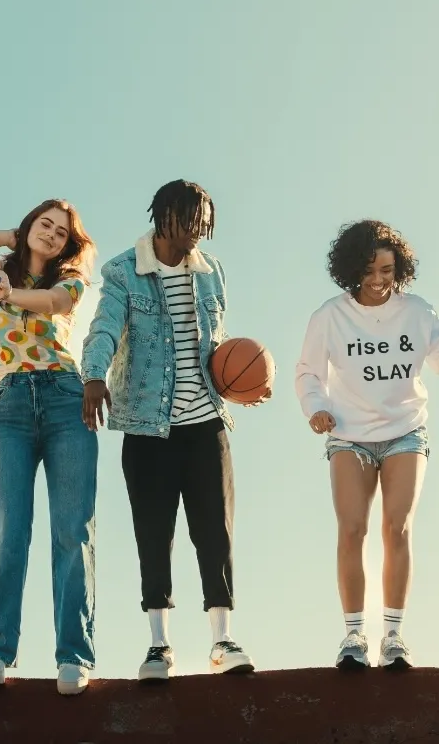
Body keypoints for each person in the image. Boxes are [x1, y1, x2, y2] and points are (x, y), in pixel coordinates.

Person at [81, 179, 264, 682]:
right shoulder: (124, 271)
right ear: (165, 216)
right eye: (191, 222)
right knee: (153, 535)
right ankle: (159, 645)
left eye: (205, 225)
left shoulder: (212, 273)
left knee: (215, 534)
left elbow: (218, 350)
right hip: (147, 427)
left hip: (205, 424)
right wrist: (93, 375)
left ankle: (222, 640)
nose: (198, 234)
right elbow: (103, 328)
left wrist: (241, 387)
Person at [295, 219, 439, 671]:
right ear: (351, 269)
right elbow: (307, 374)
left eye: (388, 271)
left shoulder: (416, 312)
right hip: (349, 436)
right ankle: (354, 636)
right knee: (351, 530)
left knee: (398, 529)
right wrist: (315, 407)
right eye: (370, 270)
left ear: (400, 271)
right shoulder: (329, 317)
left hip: (405, 432)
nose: (379, 280)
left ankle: (393, 637)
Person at [0, 199, 98, 696]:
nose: (51, 235)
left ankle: (73, 655)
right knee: (5, 528)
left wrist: (11, 293)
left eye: (60, 232)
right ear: (29, 225)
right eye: (43, 225)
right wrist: (5, 238)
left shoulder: (70, 277)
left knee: (73, 530)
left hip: (64, 399)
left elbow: (56, 303)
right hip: (8, 403)